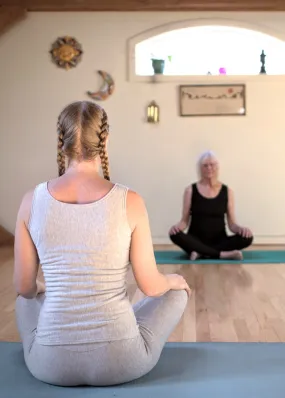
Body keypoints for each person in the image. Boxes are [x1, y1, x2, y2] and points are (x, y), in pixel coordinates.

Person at [13, 101, 190, 387]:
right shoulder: (130, 200)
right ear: (104, 140)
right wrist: (174, 279)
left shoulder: (31, 201)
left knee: (26, 301)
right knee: (175, 293)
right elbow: (151, 287)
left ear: (62, 142)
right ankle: (117, 322)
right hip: (122, 362)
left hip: (49, 366)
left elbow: (24, 287)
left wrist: (42, 290)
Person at [169, 151, 253, 261]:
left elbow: (232, 224)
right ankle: (222, 255)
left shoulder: (227, 191)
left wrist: (241, 229)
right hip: (195, 239)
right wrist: (177, 227)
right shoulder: (190, 190)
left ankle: (201, 252)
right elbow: (184, 221)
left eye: (212, 165)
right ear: (200, 169)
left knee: (248, 238)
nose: (209, 168)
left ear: (217, 167)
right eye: (205, 165)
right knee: (174, 235)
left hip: (220, 240)